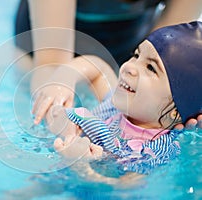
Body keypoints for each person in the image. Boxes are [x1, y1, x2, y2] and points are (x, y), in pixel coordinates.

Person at [44, 21, 202, 185]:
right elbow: (98, 70)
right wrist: (65, 77)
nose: (129, 67)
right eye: (136, 55)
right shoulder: (114, 106)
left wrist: (79, 165)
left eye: (150, 68)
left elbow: (123, 189)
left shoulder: (156, 150)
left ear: (175, 111)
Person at [14, 0, 202, 130]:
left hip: (132, 47)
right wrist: (58, 118)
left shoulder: (134, 65)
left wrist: (186, 106)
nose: (129, 68)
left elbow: (169, 57)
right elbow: (51, 64)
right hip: (43, 52)